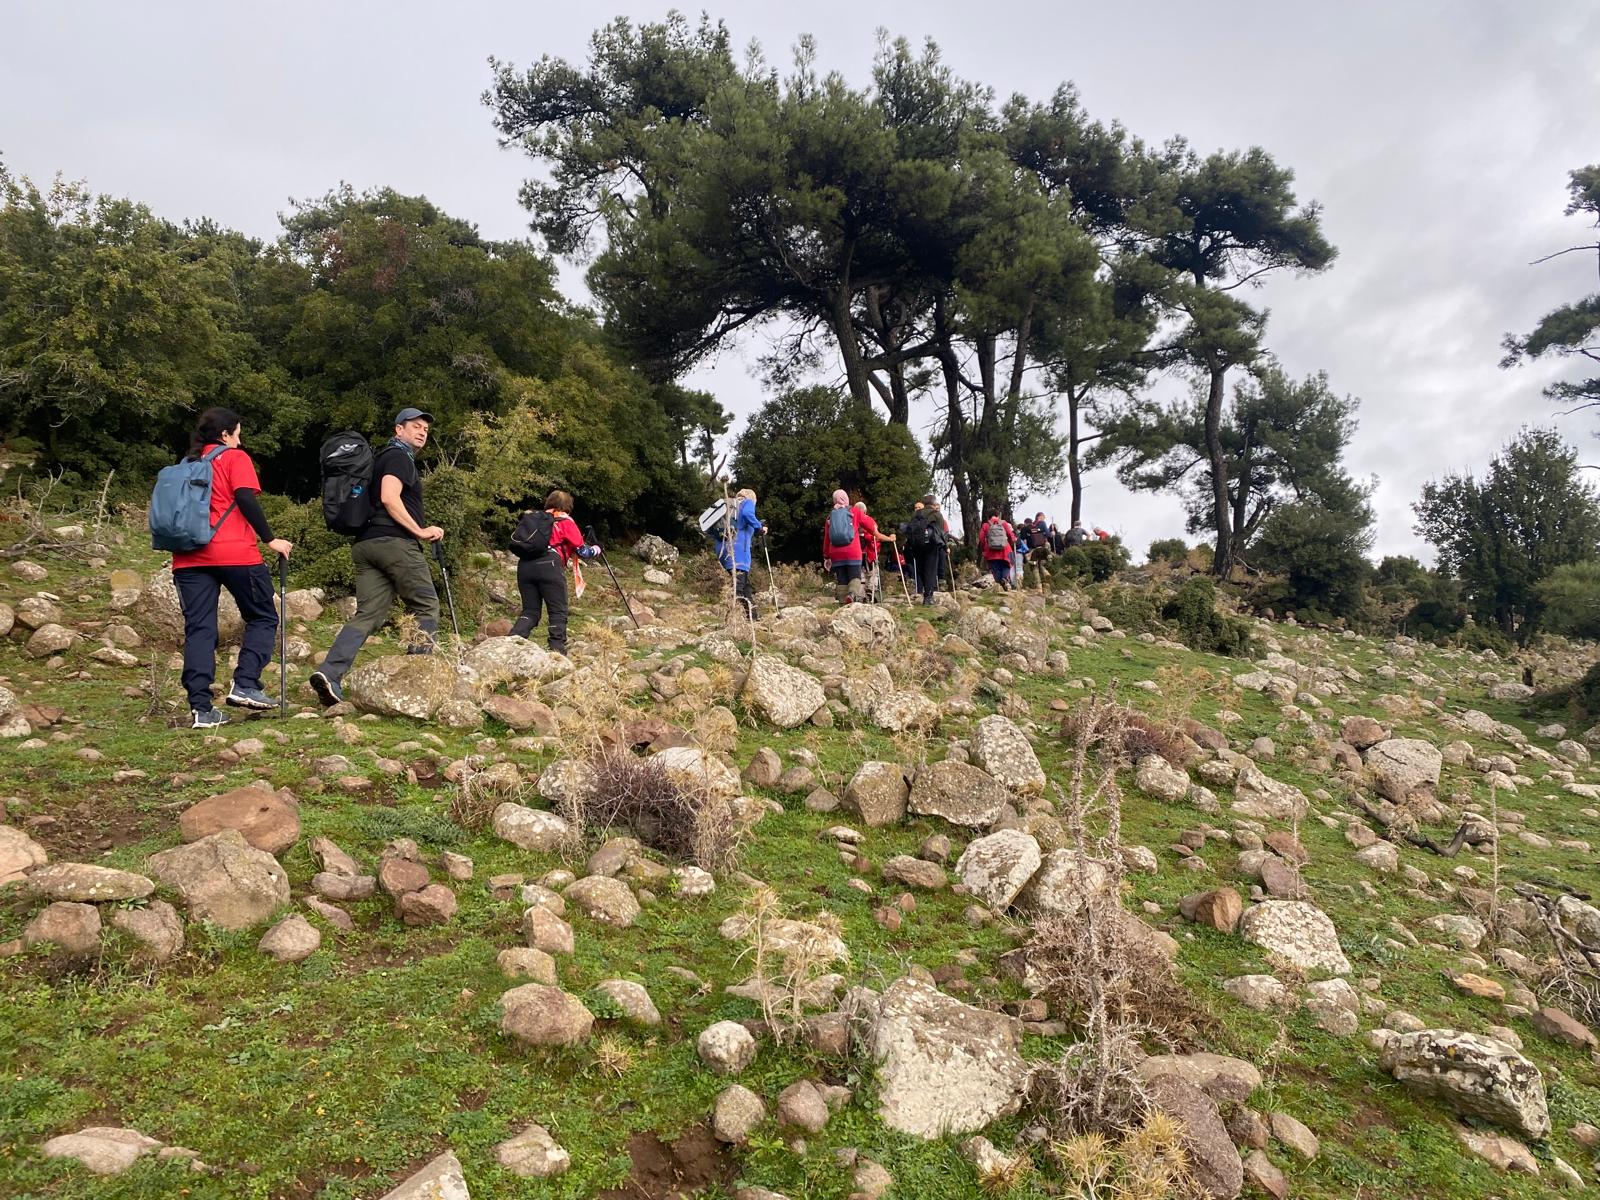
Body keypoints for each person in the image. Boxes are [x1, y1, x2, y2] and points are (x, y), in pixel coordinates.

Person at [310, 408, 444, 706]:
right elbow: (389, 497)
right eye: (415, 426)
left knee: (368, 614)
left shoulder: (379, 459)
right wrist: (419, 530)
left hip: (366, 545)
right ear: (399, 430)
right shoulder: (398, 457)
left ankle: (330, 673)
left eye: (425, 429)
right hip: (394, 543)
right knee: (426, 605)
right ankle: (416, 680)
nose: (422, 432)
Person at [170, 408, 293, 728]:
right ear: (225, 435)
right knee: (263, 616)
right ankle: (245, 683)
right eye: (237, 433)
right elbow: (245, 498)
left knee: (199, 629)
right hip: (235, 552)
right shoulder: (235, 458)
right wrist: (270, 539)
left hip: (188, 557)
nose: (240, 440)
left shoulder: (186, 465)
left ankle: (201, 709)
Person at [510, 489, 601, 652]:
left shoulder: (534, 520)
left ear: (548, 503)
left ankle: (510, 644)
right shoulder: (565, 521)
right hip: (550, 565)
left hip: (524, 566)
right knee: (558, 611)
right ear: (568, 506)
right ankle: (556, 650)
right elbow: (583, 552)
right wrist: (597, 548)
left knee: (530, 612)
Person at [716, 487, 766, 619]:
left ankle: (752, 615)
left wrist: (756, 526)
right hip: (738, 553)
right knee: (738, 586)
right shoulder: (747, 502)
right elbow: (748, 514)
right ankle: (732, 618)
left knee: (744, 585)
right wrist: (760, 527)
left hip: (723, 550)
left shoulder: (731, 509)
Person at [822, 489, 865, 603]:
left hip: (836, 554)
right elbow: (869, 524)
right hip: (853, 552)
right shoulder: (855, 511)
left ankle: (842, 604)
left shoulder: (830, 517)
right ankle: (852, 595)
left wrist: (826, 556)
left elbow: (827, 538)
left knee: (842, 580)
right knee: (855, 577)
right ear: (846, 498)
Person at [906, 493, 949, 606]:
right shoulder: (936, 514)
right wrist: (945, 547)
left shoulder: (916, 514)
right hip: (931, 546)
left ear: (924, 503)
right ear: (933, 503)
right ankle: (928, 597)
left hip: (917, 545)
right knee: (930, 570)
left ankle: (920, 591)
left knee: (920, 569)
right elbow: (941, 532)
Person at [978, 508, 1017, 589]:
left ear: (988, 516)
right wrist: (1012, 542)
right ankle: (1004, 578)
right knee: (1007, 565)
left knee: (995, 569)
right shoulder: (1004, 523)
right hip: (1005, 550)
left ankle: (1000, 584)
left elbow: (981, 538)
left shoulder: (985, 525)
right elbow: (1010, 535)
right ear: (998, 515)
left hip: (991, 552)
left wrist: (984, 548)